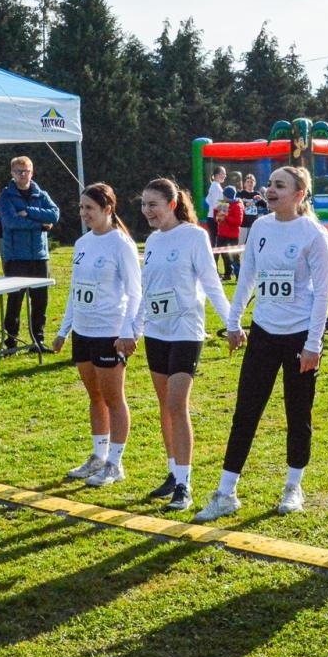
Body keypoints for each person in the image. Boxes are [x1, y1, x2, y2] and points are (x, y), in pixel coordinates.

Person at [198, 167, 328, 520]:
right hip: (263, 333)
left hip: (300, 337)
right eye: (269, 184)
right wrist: (233, 322)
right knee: (245, 412)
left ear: (299, 193)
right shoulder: (260, 227)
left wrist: (313, 344)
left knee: (297, 414)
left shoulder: (313, 234)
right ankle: (226, 492)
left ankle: (293, 487)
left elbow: (323, 295)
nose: (269, 190)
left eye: (279, 185)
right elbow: (248, 278)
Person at [131, 178, 232, 512]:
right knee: (165, 406)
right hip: (157, 333)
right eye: (144, 205)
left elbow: (211, 282)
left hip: (186, 331)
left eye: (153, 205)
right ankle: (174, 473)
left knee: (177, 404)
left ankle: (185, 485)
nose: (147, 211)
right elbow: (148, 290)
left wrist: (232, 322)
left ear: (172, 204)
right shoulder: (154, 241)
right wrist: (135, 329)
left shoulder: (194, 236)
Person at [51, 184, 141, 487]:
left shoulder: (121, 244)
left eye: (89, 207)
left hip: (110, 332)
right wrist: (64, 330)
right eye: (81, 208)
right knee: (95, 397)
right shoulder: (82, 243)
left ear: (107, 209)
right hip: (83, 331)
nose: (84, 213)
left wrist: (129, 331)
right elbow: (75, 292)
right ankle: (98, 456)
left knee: (114, 398)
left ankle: (116, 463)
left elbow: (134, 292)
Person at [0, 156, 60, 355]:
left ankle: (38, 341)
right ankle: (12, 343)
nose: (22, 175)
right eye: (18, 171)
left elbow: (54, 215)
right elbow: (10, 222)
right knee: (14, 301)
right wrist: (39, 225)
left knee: (40, 301)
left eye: (26, 171)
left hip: (40, 257)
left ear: (32, 172)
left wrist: (27, 211)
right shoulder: (6, 196)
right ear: (12, 174)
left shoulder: (41, 194)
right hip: (16, 257)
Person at [216, 185, 244, 281]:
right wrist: (217, 211)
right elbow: (218, 219)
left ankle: (238, 275)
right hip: (222, 234)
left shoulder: (237, 206)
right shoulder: (223, 204)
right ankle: (227, 274)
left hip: (232, 235)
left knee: (234, 256)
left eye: (224, 195)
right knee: (223, 255)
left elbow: (238, 222)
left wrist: (226, 216)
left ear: (228, 196)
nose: (223, 197)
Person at [205, 166, 228, 247]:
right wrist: (226, 205)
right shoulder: (215, 186)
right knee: (214, 241)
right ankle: (213, 259)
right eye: (223, 173)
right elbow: (215, 204)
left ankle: (213, 258)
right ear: (217, 175)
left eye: (225, 174)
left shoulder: (215, 186)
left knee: (214, 240)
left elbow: (208, 200)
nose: (225, 175)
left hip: (213, 216)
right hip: (214, 217)